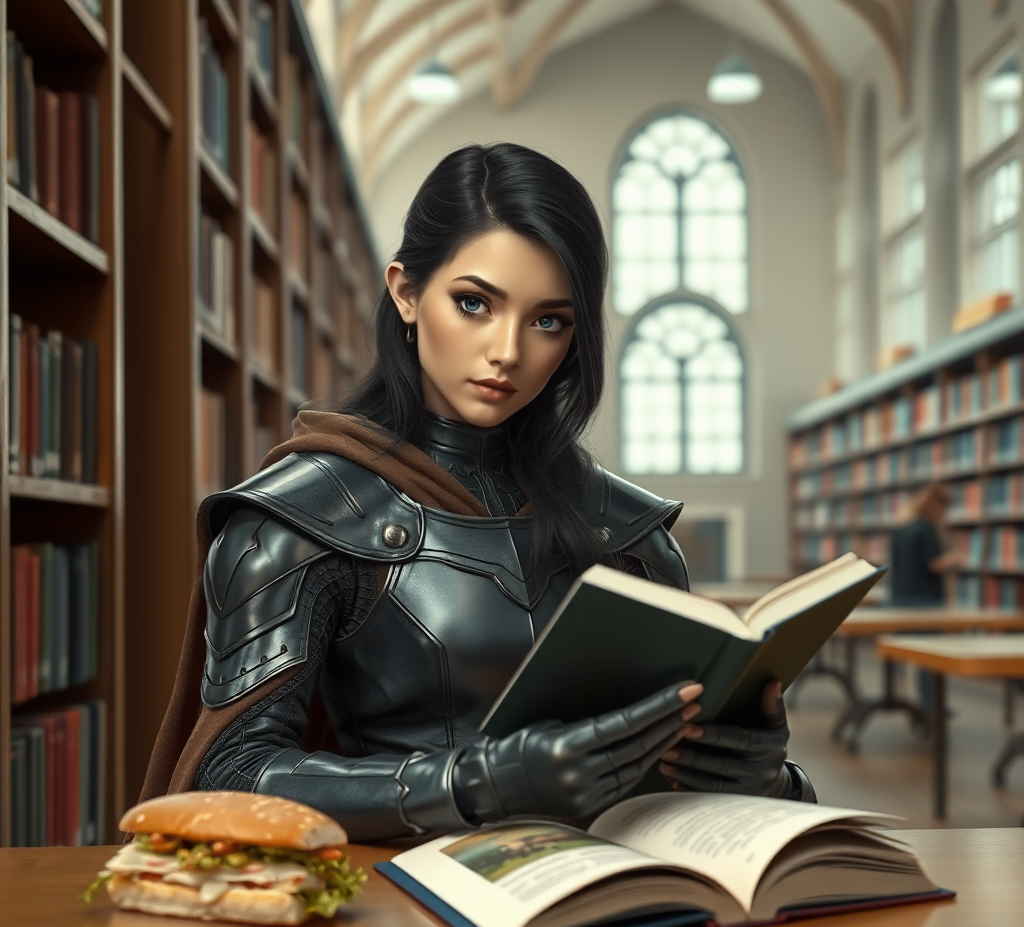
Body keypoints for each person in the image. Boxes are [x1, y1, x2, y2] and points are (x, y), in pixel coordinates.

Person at [139, 143, 815, 842]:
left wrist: (763, 777)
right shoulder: (297, 520)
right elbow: (230, 771)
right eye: (474, 304)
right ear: (405, 291)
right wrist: (477, 782)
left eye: (548, 320)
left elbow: (674, 763)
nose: (508, 352)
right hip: (401, 910)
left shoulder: (633, 534)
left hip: (622, 901)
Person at [889, 484, 964, 707]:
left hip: (901, 599)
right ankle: (931, 705)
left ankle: (901, 699)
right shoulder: (925, 529)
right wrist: (955, 558)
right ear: (937, 506)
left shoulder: (901, 529)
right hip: (925, 600)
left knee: (907, 653)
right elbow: (933, 563)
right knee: (929, 657)